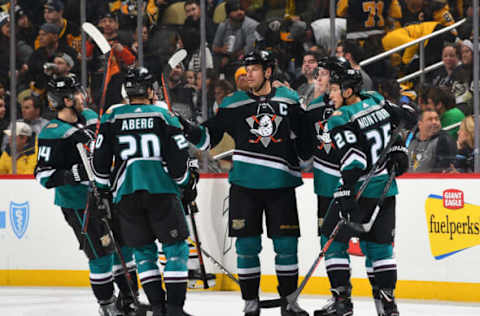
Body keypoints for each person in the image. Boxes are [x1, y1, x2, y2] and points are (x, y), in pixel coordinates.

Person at [177, 49, 308, 316]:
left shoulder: (290, 99)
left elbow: (306, 143)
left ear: (268, 71)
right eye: (245, 69)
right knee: (247, 248)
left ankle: (290, 304)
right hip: (244, 187)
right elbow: (207, 139)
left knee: (287, 248)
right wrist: (186, 127)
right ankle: (250, 305)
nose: (248, 74)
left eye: (254, 69)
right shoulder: (233, 103)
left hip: (281, 184)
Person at [34, 75, 146, 316]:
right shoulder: (52, 133)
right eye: (76, 93)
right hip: (79, 203)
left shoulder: (93, 118)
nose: (82, 96)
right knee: (101, 255)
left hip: (109, 195)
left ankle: (129, 299)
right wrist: (75, 173)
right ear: (65, 100)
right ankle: (106, 306)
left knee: (125, 250)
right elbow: (43, 176)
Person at [92, 67, 196, 316]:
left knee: (143, 251)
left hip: (125, 193)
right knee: (176, 248)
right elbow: (179, 158)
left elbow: (99, 161)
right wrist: (185, 183)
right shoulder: (163, 114)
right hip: (161, 189)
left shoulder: (111, 116)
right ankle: (174, 309)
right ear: (150, 90)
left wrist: (104, 191)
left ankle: (158, 309)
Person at [314, 68, 409, 316]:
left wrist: (345, 189)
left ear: (347, 91)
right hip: (386, 189)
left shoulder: (339, 117)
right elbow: (404, 117)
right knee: (380, 248)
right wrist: (399, 147)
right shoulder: (376, 100)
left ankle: (342, 302)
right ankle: (387, 306)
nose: (330, 94)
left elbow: (354, 159)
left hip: (360, 189)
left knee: (331, 241)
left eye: (334, 89)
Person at [408, 109, 457, 173]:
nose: (434, 122)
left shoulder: (444, 140)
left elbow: (443, 168)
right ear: (420, 124)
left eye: (437, 119)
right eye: (430, 119)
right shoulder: (412, 141)